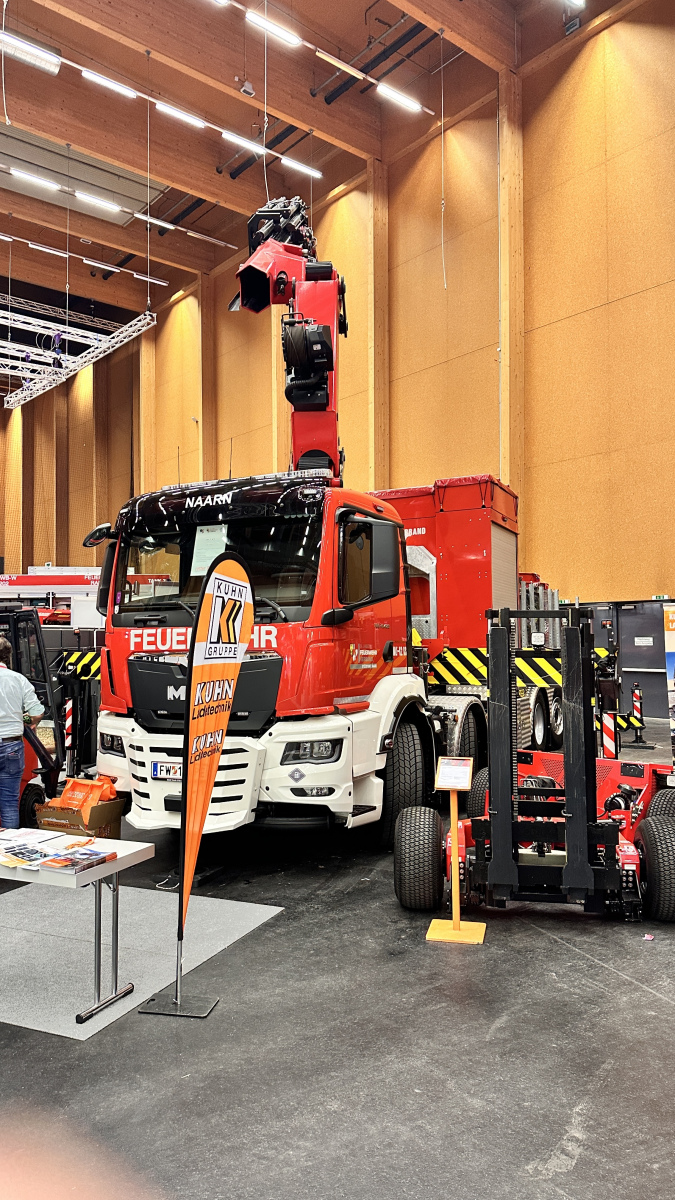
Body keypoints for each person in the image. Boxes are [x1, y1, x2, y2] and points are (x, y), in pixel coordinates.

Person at [0, 636, 44, 828]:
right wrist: (23, 719)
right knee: (10, 803)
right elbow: (37, 713)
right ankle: (10, 846)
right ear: (8, 656)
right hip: (11, 746)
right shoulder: (19, 680)